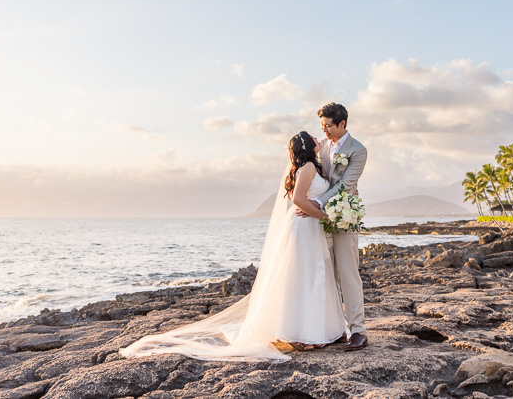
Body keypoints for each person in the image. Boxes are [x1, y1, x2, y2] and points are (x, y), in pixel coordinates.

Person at [119, 131, 346, 361]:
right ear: (307, 145)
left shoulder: (313, 166)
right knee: (301, 277)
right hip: (304, 227)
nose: (319, 139)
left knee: (312, 275)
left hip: (310, 227)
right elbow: (297, 199)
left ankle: (315, 330)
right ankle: (295, 333)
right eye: (314, 138)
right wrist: (323, 217)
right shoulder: (307, 167)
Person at [313, 102, 369, 352]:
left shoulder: (358, 150)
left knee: (348, 273)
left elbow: (346, 186)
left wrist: (317, 202)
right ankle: (336, 329)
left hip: (345, 215)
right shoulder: (322, 147)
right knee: (327, 273)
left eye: (328, 125)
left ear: (342, 124)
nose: (324, 129)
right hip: (320, 217)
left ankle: (358, 331)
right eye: (322, 125)